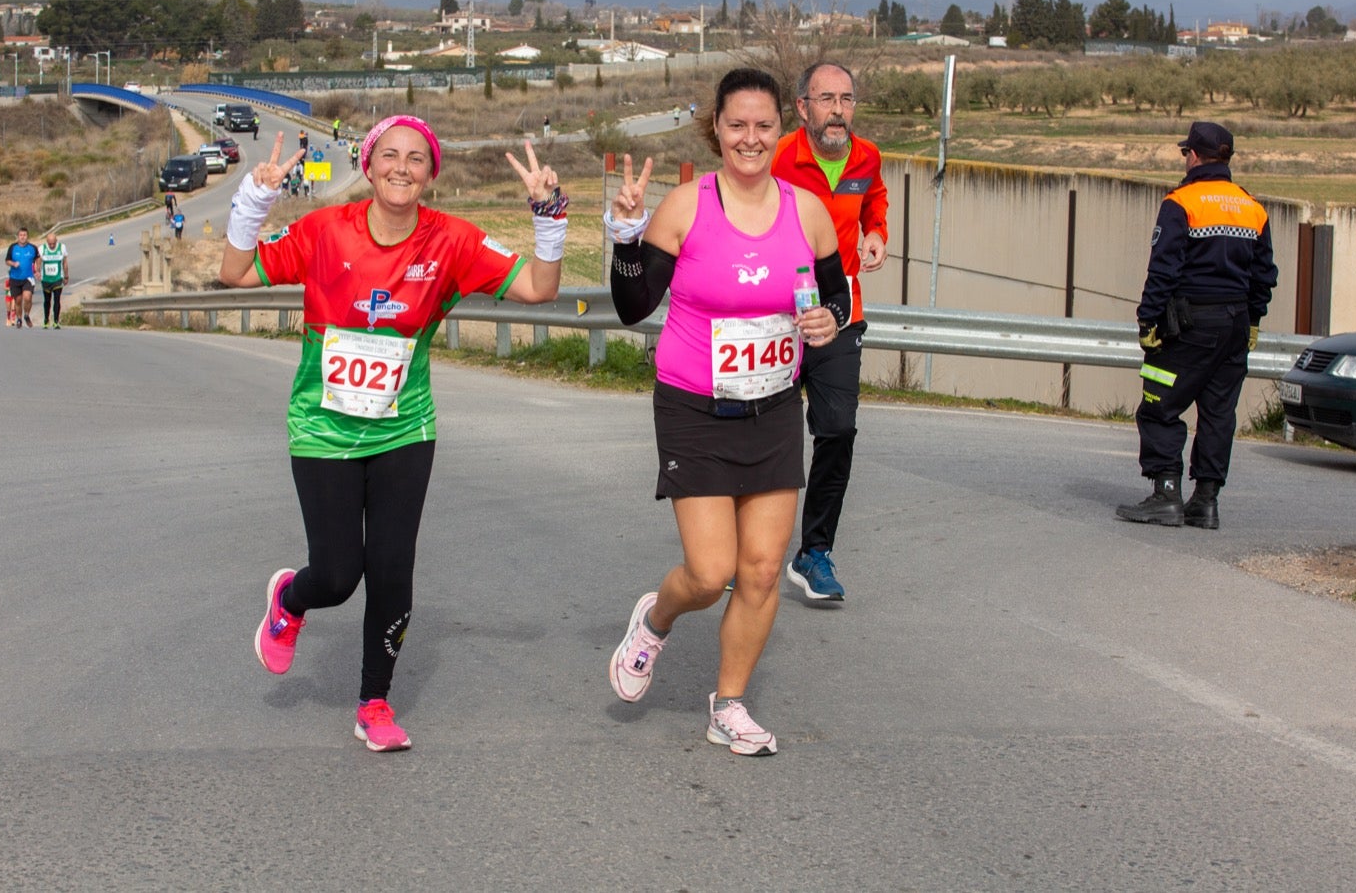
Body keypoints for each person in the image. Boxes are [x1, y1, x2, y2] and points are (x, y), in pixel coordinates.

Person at [221, 119, 568, 752]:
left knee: (391, 569)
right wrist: (254, 202)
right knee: (336, 574)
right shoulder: (325, 231)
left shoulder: (452, 241)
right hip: (322, 428)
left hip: (405, 429)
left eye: (416, 159)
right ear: (370, 164)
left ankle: (374, 701)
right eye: (389, 156)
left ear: (431, 173)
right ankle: (291, 600)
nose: (401, 168)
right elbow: (235, 274)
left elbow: (542, 289)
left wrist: (549, 214)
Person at [605, 68, 846, 756]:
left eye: (763, 126)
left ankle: (729, 705)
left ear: (781, 130)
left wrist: (829, 321)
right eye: (737, 125)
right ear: (717, 128)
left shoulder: (807, 212)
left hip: (772, 405)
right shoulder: (686, 206)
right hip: (693, 406)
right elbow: (632, 307)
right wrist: (626, 240)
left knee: (765, 568)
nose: (750, 138)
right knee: (711, 573)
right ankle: (655, 619)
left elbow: (838, 300)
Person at [1116, 122, 1278, 529]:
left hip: (1189, 323)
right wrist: (1254, 320)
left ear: (1193, 155)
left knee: (1159, 405)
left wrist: (1148, 321)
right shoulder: (1251, 207)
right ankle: (1206, 502)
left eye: (1186, 152)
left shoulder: (1182, 202)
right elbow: (1264, 274)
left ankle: (1166, 496)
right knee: (1219, 412)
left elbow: (1163, 269)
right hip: (1236, 323)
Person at [770, 61, 888, 601]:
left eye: (846, 98)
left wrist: (876, 233)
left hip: (841, 313)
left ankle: (814, 552)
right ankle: (746, 551)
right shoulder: (778, 157)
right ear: (803, 108)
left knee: (837, 430)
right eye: (825, 99)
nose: (837, 109)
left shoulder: (867, 157)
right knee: (762, 433)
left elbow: (876, 200)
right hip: (773, 314)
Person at [5, 228, 39, 328]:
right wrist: (13, 263)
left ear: (27, 236)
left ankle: (27, 315)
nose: (23, 237)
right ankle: (19, 318)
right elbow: (7, 261)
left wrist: (37, 270)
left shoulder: (32, 248)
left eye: (24, 235)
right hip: (15, 278)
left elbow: (38, 258)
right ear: (18, 236)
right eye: (21, 235)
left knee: (27, 297)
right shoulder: (12, 247)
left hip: (28, 277)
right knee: (18, 300)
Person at [38, 231, 68, 328]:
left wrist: (66, 276)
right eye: (49, 243)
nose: (51, 245)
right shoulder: (42, 249)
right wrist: (37, 272)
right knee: (47, 301)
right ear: (47, 242)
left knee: (57, 299)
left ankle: (56, 321)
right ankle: (46, 320)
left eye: (53, 243)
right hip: (46, 279)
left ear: (56, 241)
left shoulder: (62, 248)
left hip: (58, 278)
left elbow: (65, 263)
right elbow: (38, 262)